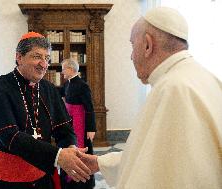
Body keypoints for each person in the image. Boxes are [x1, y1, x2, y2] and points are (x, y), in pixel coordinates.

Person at [80, 7, 222, 189]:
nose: (131, 56)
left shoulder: (173, 89)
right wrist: (100, 163)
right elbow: (158, 156)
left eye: (133, 45)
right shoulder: (206, 79)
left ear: (147, 45)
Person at [0, 31, 91, 189]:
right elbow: (11, 138)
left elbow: (63, 128)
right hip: (8, 183)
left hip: (43, 179)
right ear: (19, 57)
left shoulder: (49, 89)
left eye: (47, 58)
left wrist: (70, 147)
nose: (44, 64)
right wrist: (58, 156)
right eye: (37, 56)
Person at [59, 58, 96, 189]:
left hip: (81, 121)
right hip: (70, 120)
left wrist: (91, 128)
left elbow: (89, 108)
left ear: (71, 69)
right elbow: (59, 93)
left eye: (64, 69)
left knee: (82, 150)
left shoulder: (82, 85)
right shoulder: (67, 84)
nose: (62, 72)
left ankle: (82, 182)